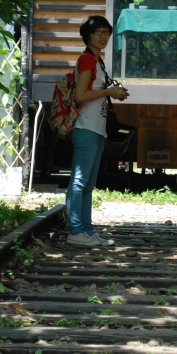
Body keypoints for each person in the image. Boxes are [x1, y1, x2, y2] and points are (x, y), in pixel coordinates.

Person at [66, 15, 129, 247]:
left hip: (96, 127)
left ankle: (87, 231)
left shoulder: (96, 59)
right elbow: (80, 96)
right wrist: (108, 93)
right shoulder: (87, 60)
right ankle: (75, 231)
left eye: (106, 32)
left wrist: (113, 92)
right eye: (98, 32)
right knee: (80, 181)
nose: (103, 36)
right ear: (87, 35)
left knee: (89, 183)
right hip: (85, 126)